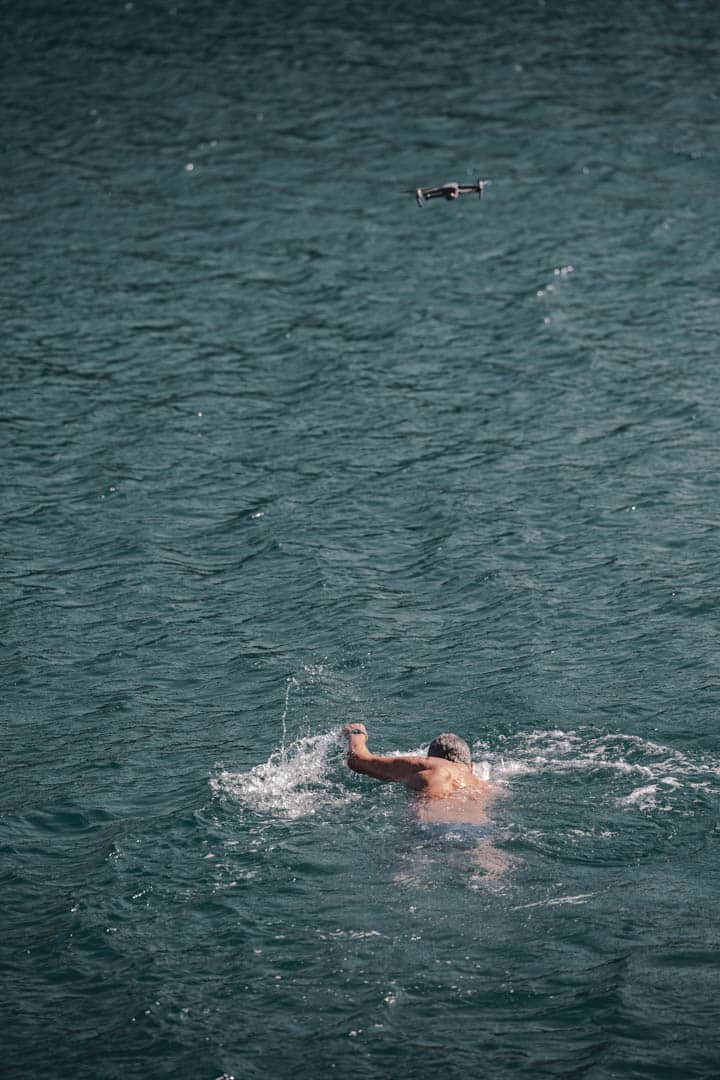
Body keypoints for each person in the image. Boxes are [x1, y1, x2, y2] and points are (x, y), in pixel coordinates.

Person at [342, 723, 493, 824]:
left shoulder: (430, 766)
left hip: (433, 828)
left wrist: (357, 733)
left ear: (431, 758)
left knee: (405, 871)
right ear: (471, 766)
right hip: (479, 831)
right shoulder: (483, 785)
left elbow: (358, 760)